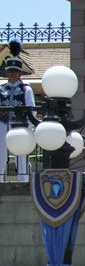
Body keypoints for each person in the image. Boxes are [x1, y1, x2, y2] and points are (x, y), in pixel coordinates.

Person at [0, 41, 33, 182]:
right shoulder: (1, 89)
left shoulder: (27, 89)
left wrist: (30, 128)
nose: (13, 74)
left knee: (21, 154)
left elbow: (31, 109)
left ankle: (24, 182)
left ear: (20, 73)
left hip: (20, 126)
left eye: (15, 71)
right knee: (0, 154)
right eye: (10, 71)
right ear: (7, 72)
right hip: (3, 123)